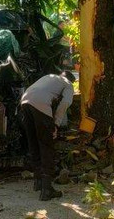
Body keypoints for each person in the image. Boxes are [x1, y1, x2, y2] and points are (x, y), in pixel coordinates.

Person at [21, 71, 75, 201]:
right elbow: (65, 103)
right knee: (46, 146)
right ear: (71, 80)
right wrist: (56, 124)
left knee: (34, 144)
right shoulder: (68, 84)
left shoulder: (47, 77)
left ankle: (38, 182)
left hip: (24, 101)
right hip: (40, 103)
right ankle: (47, 190)